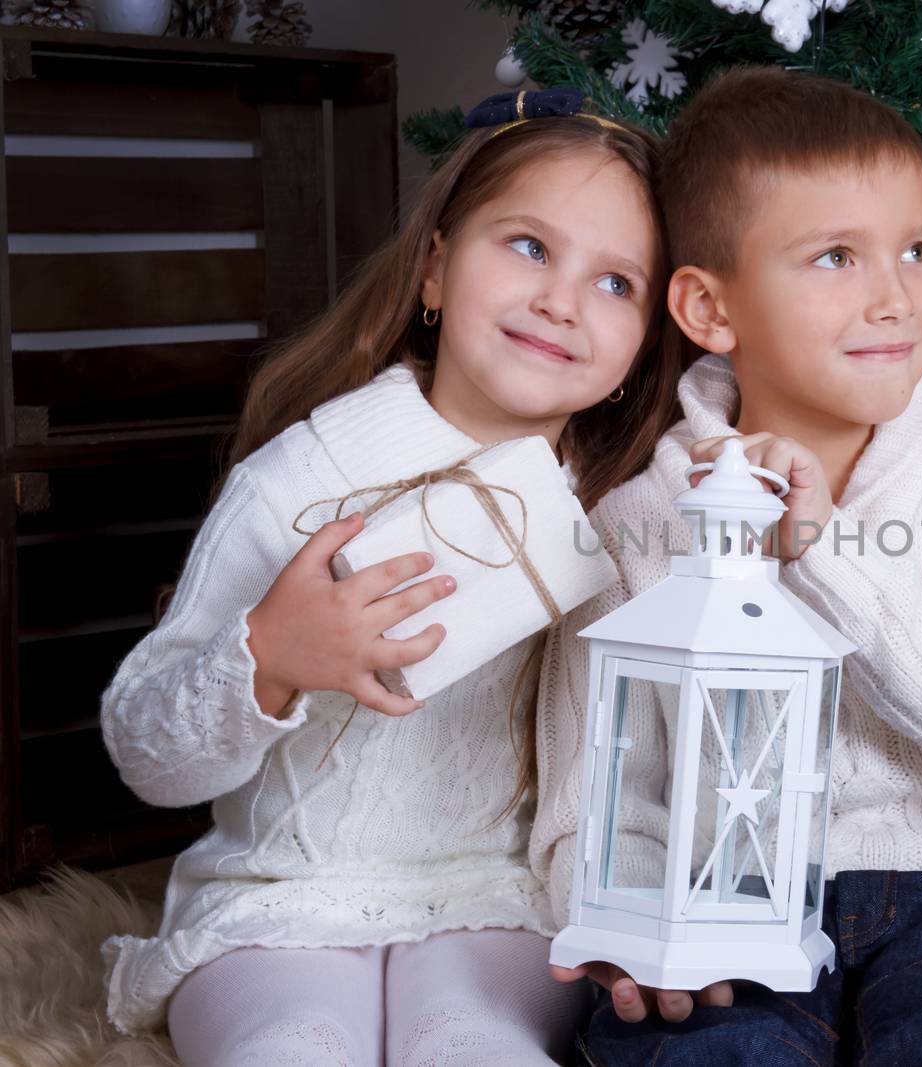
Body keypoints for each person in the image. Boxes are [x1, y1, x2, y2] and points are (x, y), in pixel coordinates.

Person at [101, 89, 684, 1066]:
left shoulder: (620, 517)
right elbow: (147, 756)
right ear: (435, 267)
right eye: (529, 246)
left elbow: (639, 759)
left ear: (641, 350)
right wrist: (269, 661)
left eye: (616, 282)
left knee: (468, 1042)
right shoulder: (305, 475)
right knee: (292, 1043)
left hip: (497, 899)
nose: (560, 300)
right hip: (278, 896)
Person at [530, 67, 922, 1066]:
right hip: (722, 914)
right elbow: (594, 798)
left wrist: (826, 557)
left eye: (916, 250)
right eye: (836, 255)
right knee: (710, 1046)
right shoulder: (636, 523)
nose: (896, 296)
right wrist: (632, 944)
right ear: (709, 308)